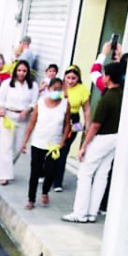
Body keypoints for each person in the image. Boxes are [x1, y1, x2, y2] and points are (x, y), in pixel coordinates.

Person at [62, 61, 123, 223]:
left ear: (108, 77)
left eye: (104, 75)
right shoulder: (122, 94)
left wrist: (84, 146)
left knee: (85, 173)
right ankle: (91, 213)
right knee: (102, 174)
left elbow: (95, 126)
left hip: (102, 138)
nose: (102, 77)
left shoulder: (106, 99)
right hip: (116, 138)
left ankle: (80, 213)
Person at [19, 77, 70, 210]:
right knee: (35, 172)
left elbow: (67, 125)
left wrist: (62, 141)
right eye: (54, 89)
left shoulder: (65, 104)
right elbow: (32, 122)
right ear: (48, 89)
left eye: (60, 89)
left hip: (54, 145)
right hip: (38, 142)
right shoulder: (40, 103)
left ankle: (45, 191)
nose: (57, 92)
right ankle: (31, 199)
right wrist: (25, 141)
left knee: (50, 171)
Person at [0, 60, 38, 185]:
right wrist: (1, 108)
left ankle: (8, 166)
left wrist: (27, 110)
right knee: (6, 146)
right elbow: (0, 99)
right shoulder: (7, 84)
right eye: (19, 70)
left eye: (24, 71)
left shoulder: (33, 86)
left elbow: (34, 102)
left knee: (19, 147)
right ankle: (4, 175)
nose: (21, 73)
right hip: (8, 116)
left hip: (23, 118)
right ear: (15, 71)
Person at [52, 64, 91, 192]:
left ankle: (57, 182)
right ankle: (47, 174)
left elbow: (86, 109)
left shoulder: (82, 89)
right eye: (68, 78)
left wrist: (87, 125)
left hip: (74, 120)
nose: (70, 81)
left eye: (73, 78)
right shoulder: (59, 87)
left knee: (64, 150)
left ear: (78, 78)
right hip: (58, 118)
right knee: (52, 147)